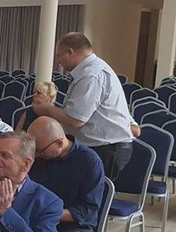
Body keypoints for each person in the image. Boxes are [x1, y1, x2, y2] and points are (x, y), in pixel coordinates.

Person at [32, 32, 134, 180]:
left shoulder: (91, 75)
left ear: (70, 52)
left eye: (59, 56)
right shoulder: (90, 70)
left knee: (89, 191)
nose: (58, 61)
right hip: (102, 145)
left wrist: (46, 109)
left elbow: (76, 119)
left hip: (106, 148)